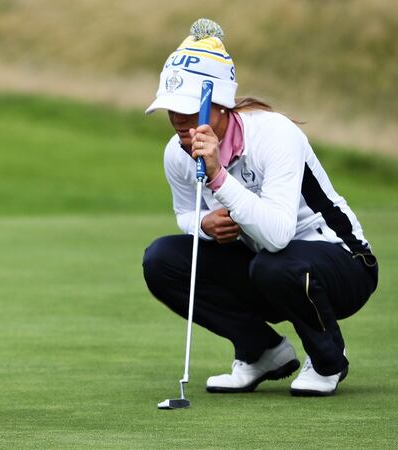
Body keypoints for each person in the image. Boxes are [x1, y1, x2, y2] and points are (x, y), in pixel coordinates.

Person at [142, 18, 378, 397]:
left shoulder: (274, 133)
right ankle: (261, 351)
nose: (178, 121)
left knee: (275, 262)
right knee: (161, 259)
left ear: (219, 106)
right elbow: (184, 213)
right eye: (171, 108)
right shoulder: (177, 152)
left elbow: (278, 234)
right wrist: (205, 224)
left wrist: (219, 176)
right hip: (265, 267)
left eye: (187, 108)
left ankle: (327, 359)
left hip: (343, 264)